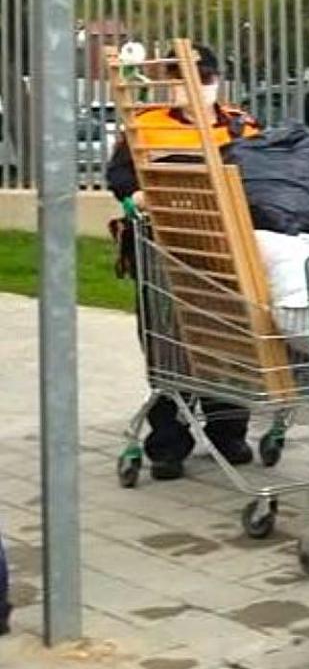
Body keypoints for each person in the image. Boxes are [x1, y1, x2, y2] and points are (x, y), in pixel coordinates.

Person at [106, 45, 263, 481]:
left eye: (205, 76)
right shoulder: (146, 125)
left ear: (217, 80)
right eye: (183, 77)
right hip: (161, 249)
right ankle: (168, 442)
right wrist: (132, 195)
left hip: (222, 252)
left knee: (228, 341)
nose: (196, 86)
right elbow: (119, 176)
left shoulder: (241, 126)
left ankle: (229, 431)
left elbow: (265, 179)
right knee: (170, 345)